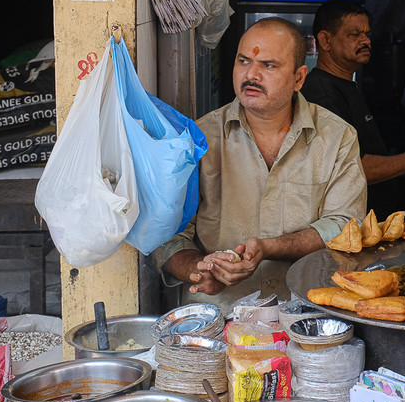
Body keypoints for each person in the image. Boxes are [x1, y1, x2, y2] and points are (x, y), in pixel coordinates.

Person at [155, 16, 367, 309]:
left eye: (268, 65)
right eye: (243, 61)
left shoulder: (336, 137)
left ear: (299, 78)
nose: (251, 75)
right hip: (219, 317)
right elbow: (169, 237)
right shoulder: (199, 139)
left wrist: (269, 248)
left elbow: (345, 225)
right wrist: (201, 269)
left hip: (308, 314)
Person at [299, 0, 405, 216]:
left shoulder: (346, 85)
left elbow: (366, 156)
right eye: (354, 34)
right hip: (347, 226)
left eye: (367, 35)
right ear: (325, 40)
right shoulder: (322, 94)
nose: (366, 41)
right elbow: (346, 169)